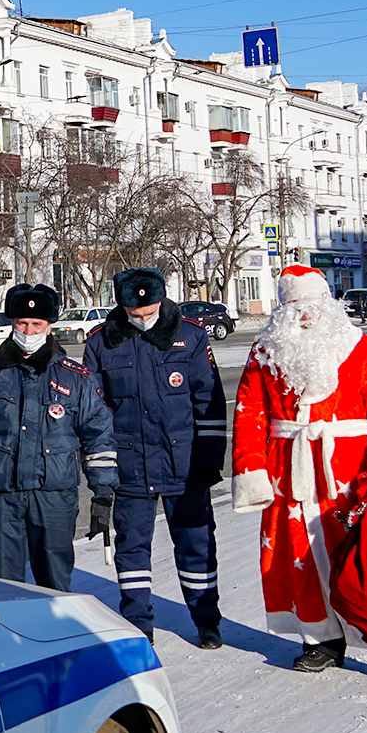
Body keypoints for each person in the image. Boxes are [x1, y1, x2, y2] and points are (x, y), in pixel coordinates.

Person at [232, 264, 367, 685]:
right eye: (296, 306)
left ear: (327, 304)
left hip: (349, 475)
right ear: (282, 309)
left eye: (313, 304)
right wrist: (253, 472)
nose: (305, 314)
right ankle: (320, 640)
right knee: (300, 556)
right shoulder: (265, 352)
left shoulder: (358, 346)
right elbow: (250, 416)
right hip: (291, 474)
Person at [81, 268, 230, 648]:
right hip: (129, 464)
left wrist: (210, 460)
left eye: (150, 310)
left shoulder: (191, 335)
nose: (143, 318)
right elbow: (94, 412)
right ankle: (138, 623)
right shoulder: (101, 342)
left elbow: (209, 402)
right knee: (132, 547)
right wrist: (102, 467)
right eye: (136, 312)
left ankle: (206, 620)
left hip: (187, 463)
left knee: (196, 543)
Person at [0, 283, 117, 590]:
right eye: (22, 323)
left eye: (36, 324)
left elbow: (98, 437)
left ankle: (56, 637)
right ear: (12, 323)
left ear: (49, 326)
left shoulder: (75, 378)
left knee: (54, 581)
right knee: (0, 583)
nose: (29, 330)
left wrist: (103, 493)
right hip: (1, 495)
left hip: (53, 494)